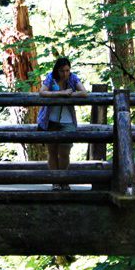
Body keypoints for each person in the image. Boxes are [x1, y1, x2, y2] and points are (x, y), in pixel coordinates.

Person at [38, 57, 87, 190]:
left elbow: (84, 93)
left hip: (67, 120)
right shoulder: (50, 77)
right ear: (57, 70)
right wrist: (61, 93)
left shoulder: (73, 78)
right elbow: (42, 92)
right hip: (50, 120)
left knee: (65, 152)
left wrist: (69, 95)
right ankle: (55, 182)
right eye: (62, 71)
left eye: (67, 70)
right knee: (52, 151)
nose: (65, 74)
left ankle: (63, 179)